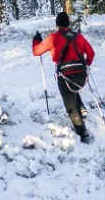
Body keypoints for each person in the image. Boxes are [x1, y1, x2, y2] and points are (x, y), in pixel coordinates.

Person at [32, 12, 95, 143]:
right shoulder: (78, 37)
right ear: (68, 24)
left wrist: (36, 39)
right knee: (74, 88)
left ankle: (83, 134)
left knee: (70, 107)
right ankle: (82, 108)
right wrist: (86, 66)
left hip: (65, 75)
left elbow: (36, 51)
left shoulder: (53, 38)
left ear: (57, 25)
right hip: (81, 75)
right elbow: (91, 53)